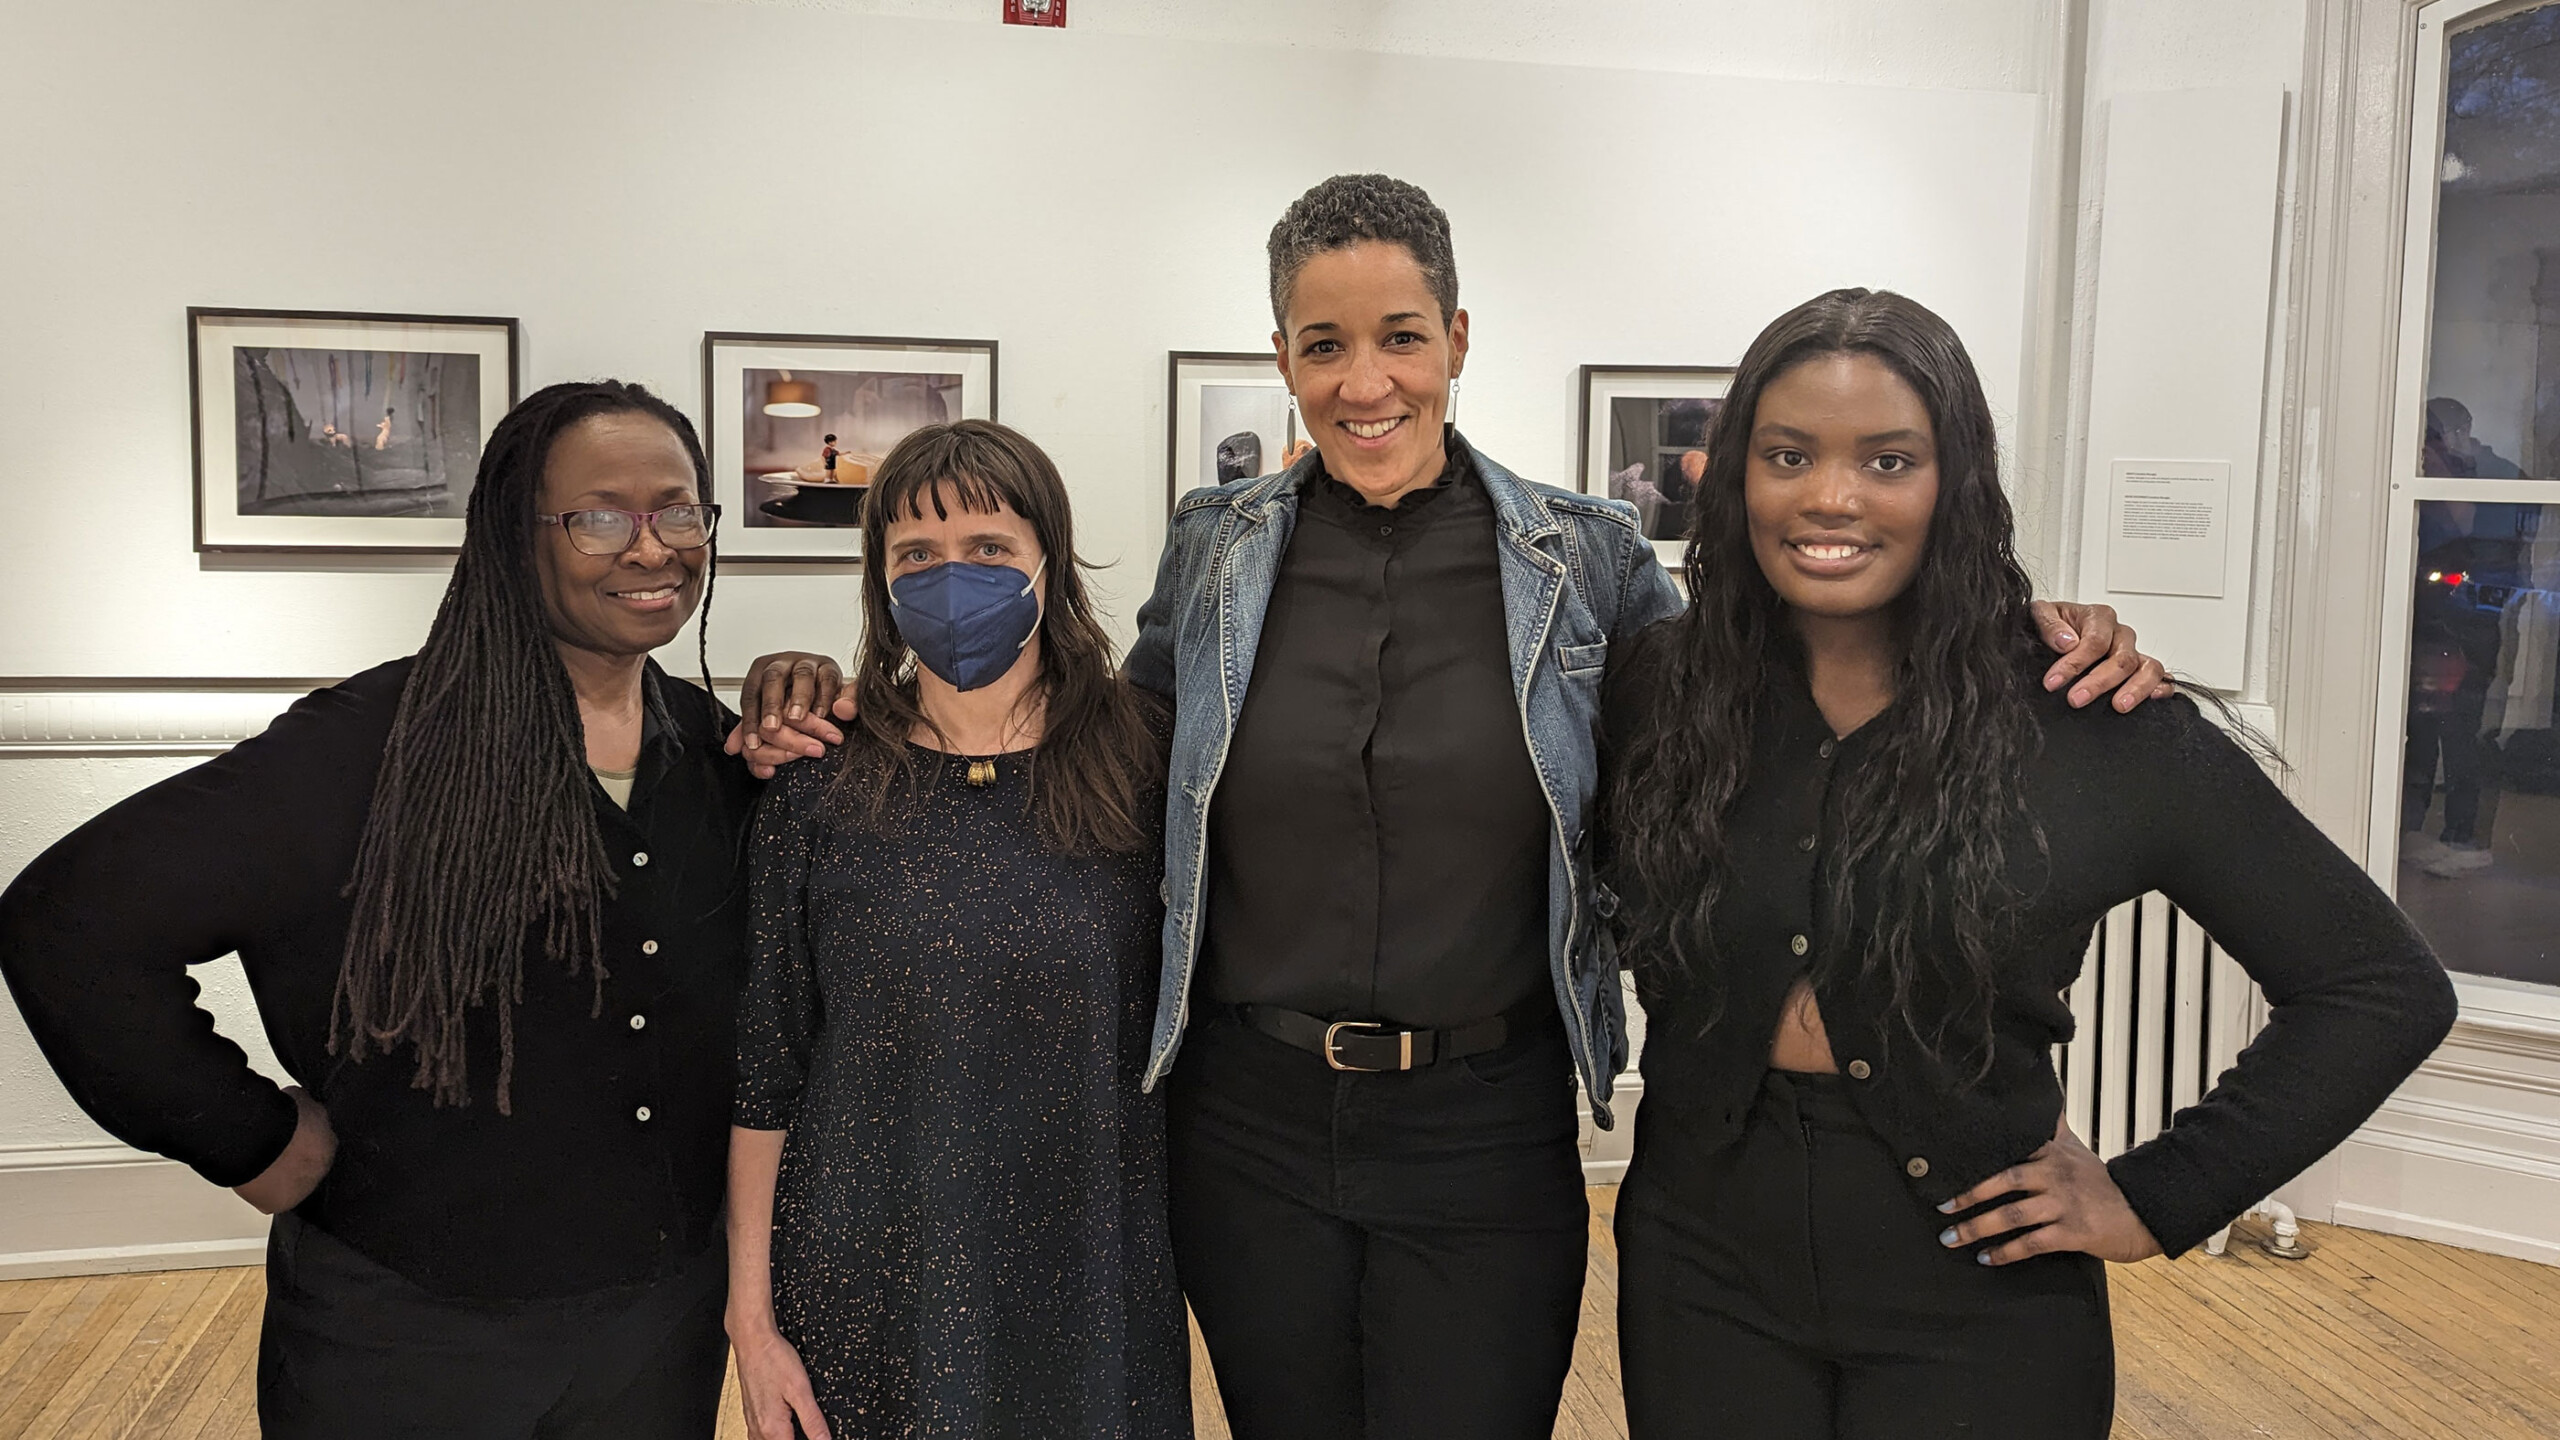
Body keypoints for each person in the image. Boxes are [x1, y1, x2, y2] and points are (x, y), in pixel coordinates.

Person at [1111, 176, 2166, 1440]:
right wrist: (844, 711)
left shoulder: (1586, 558)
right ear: (1280, 355)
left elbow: (1751, 714)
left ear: (1456, 337)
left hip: (1484, 1123)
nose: (1365, 381)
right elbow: (1112, 755)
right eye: (1323, 345)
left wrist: (2019, 634)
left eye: (1400, 335)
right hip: (1247, 1122)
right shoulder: (1215, 546)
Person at [1600, 288, 2458, 1438]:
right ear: (1733, 474)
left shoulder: (2085, 716)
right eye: (1788, 454)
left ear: (1953, 483)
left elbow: (2377, 987)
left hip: (1978, 1290)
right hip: (1697, 1268)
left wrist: (2159, 1196)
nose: (1831, 497)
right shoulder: (1660, 686)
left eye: (1888, 459)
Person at [0, 380, 790, 1437]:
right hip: (410, 1335)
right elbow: (70, 922)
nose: (651, 548)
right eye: (600, 516)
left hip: (655, 1328)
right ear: (517, 534)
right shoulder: (371, 747)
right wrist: (247, 1136)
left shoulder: (715, 751)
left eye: (679, 509)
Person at [725, 420, 1190, 1440]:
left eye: (989, 549)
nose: (952, 577)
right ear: (879, 580)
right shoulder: (817, 780)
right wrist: (750, 1325)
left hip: (1090, 1272)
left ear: (1047, 562)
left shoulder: (1145, 764)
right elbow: (766, 1068)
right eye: (916, 556)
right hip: (864, 1281)